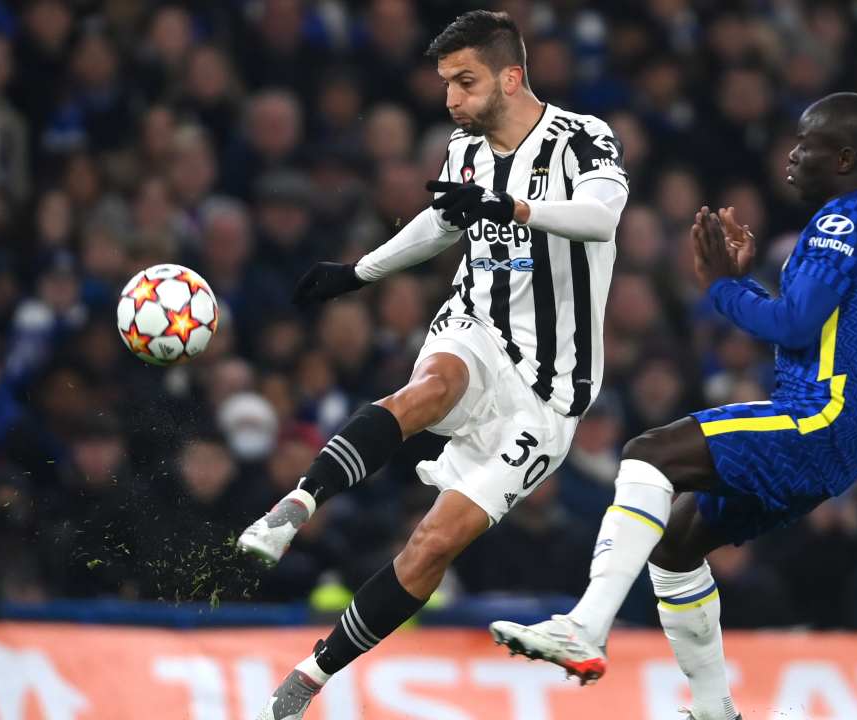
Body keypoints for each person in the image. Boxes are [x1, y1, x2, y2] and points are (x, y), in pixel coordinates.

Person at [240, 11, 629, 720]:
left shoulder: (582, 138)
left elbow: (602, 217)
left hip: (548, 394)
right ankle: (295, 505)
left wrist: (511, 206)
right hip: (477, 326)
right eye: (445, 83)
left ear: (511, 77)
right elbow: (444, 221)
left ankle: (313, 673)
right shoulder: (465, 149)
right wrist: (360, 272)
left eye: (465, 81)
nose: (450, 99)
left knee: (432, 545)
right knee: (431, 386)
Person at [489, 93, 857, 720]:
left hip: (821, 416)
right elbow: (817, 329)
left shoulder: (844, 221)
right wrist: (740, 283)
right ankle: (714, 709)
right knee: (677, 544)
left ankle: (584, 627)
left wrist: (721, 286)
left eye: (807, 143)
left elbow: (793, 326)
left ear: (844, 157)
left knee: (649, 455)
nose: (791, 154)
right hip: (836, 429)